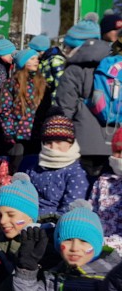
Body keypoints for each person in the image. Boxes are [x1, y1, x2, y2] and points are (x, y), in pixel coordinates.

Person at [56, 13, 114, 177]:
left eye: (68, 46)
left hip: (84, 141)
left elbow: (65, 107)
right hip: (115, 139)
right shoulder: (114, 63)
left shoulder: (74, 69)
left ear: (76, 45)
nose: (66, 50)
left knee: (83, 191)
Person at [26, 110, 89, 219]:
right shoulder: (35, 167)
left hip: (54, 224)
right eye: (48, 143)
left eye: (59, 142)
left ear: (70, 142)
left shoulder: (76, 172)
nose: (53, 147)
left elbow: (70, 208)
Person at [0, 48, 49, 171]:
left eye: (37, 58)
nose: (36, 61)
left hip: (36, 135)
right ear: (23, 62)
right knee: (16, 168)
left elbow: (46, 108)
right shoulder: (11, 83)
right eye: (32, 59)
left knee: (34, 168)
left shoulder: (42, 82)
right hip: (17, 136)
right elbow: (4, 109)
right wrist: (9, 132)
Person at [90, 127, 122, 254]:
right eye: (117, 151)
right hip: (97, 242)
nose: (120, 156)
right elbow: (91, 211)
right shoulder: (103, 181)